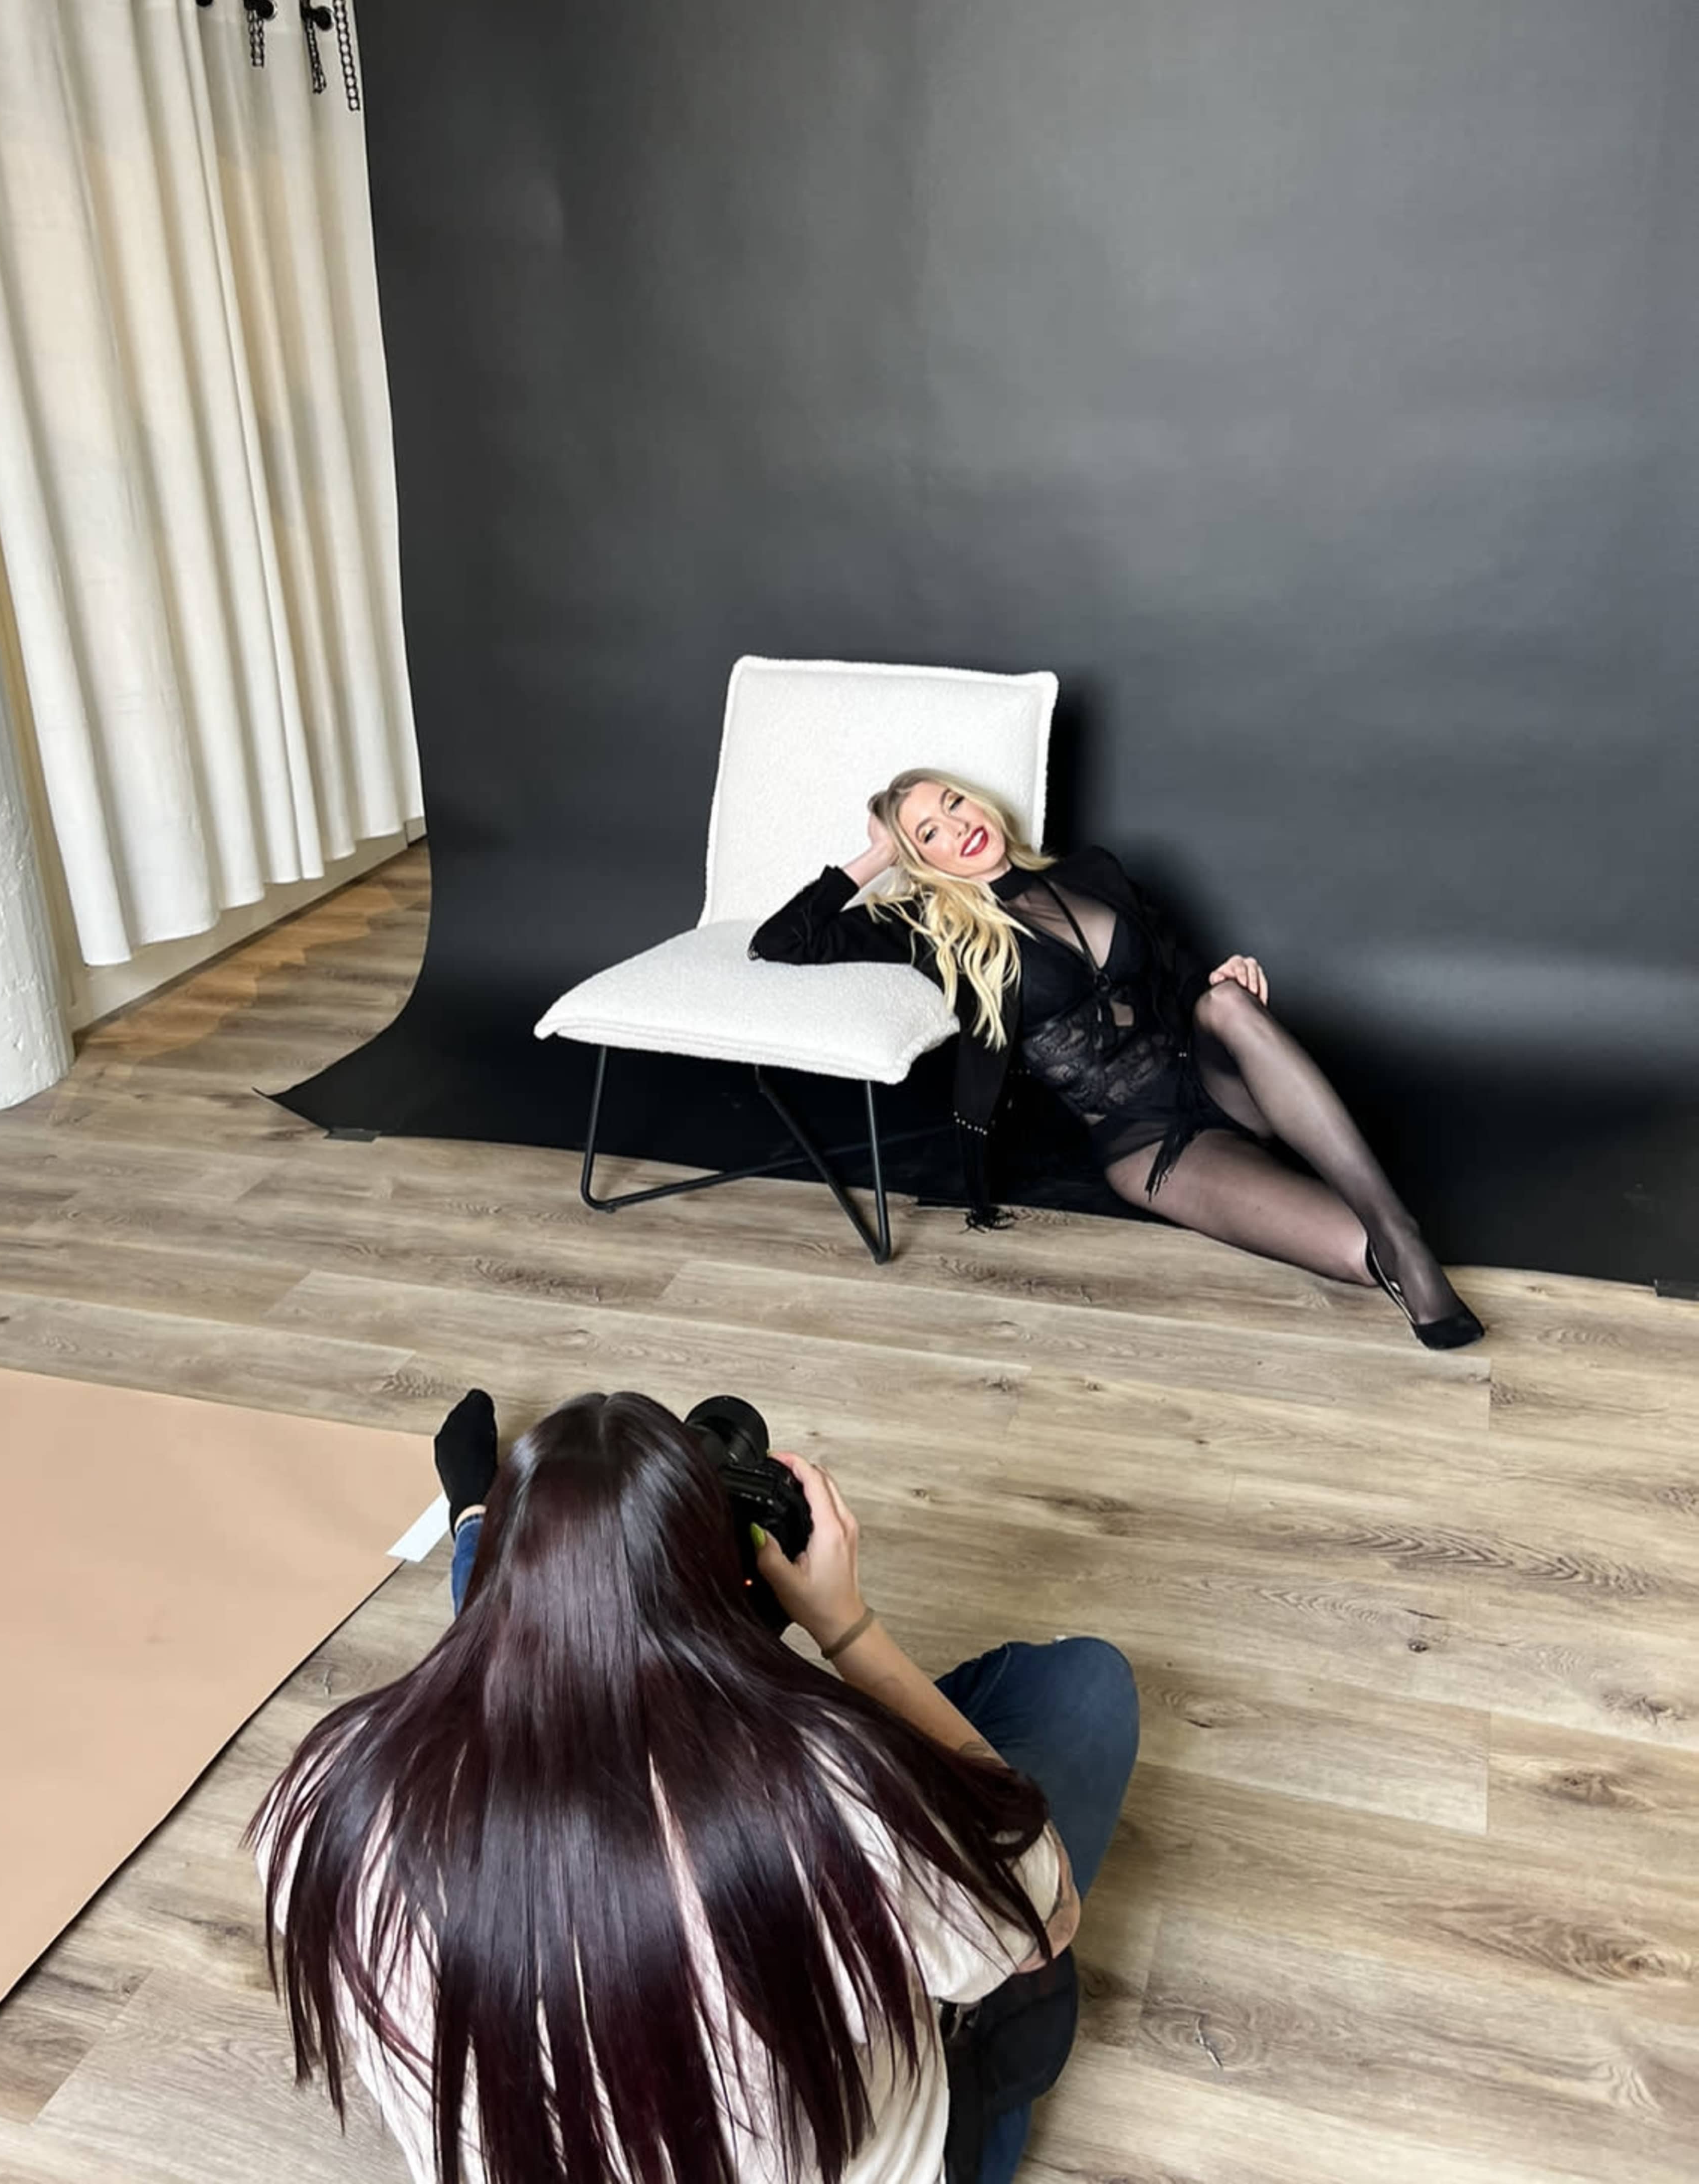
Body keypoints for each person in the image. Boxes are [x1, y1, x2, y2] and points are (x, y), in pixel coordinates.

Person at [255, 1388, 1139, 2184]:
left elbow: (529, 1675)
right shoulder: (836, 1795)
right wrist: (847, 1627)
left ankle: (479, 1518)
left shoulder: (330, 1793)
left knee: (533, 1666)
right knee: (1083, 1691)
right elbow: (1040, 1921)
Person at [750, 770, 1482, 1350]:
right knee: (1356, 1254)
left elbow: (1179, 973)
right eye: (929, 833)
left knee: (1226, 1005)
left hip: (1215, 1078)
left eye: (955, 803)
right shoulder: (927, 930)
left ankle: (1403, 1232)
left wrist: (1226, 978)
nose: (959, 827)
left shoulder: (1094, 871)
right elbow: (781, 941)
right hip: (1151, 1145)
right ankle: (1386, 1247)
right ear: (923, 860)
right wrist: (880, 851)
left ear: (983, 802)